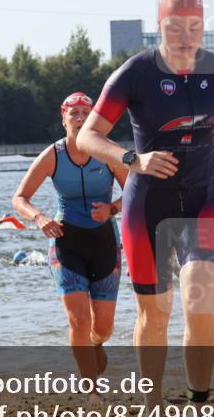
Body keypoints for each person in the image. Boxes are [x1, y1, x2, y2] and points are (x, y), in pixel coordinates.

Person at [78, 0, 214, 417]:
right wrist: (133, 158)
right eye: (176, 23)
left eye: (194, 23)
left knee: (199, 297)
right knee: (154, 315)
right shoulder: (134, 73)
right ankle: (152, 409)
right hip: (148, 206)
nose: (186, 33)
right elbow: (87, 136)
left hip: (205, 197)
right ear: (161, 24)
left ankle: (199, 407)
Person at [13, 92, 129, 397]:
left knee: (103, 327)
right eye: (73, 113)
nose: (79, 118)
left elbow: (137, 190)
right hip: (67, 242)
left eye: (84, 113)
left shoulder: (108, 152)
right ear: (63, 119)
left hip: (104, 241)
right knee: (78, 319)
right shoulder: (54, 154)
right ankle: (91, 390)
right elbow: (20, 198)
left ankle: (96, 344)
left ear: (93, 118)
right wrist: (39, 218)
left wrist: (112, 209)